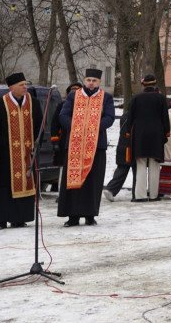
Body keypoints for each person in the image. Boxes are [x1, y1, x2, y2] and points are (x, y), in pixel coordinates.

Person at [58, 68, 116, 226]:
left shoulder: (106, 97)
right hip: (75, 144)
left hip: (96, 145)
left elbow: (110, 117)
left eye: (94, 81)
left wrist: (93, 128)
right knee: (74, 179)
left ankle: (90, 215)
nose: (91, 83)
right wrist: (76, 127)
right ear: (85, 80)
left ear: (99, 82)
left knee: (93, 180)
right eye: (89, 80)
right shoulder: (73, 95)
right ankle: (73, 216)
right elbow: (63, 115)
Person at [0, 73, 42, 229]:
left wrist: (37, 147)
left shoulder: (34, 103)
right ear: (11, 88)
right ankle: (1, 220)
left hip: (26, 153)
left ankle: (19, 218)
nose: (25, 87)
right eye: (21, 84)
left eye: (25, 84)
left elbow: (39, 126)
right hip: (5, 155)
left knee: (25, 183)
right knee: (2, 186)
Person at [124, 74, 171, 201]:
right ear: (155, 85)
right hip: (156, 135)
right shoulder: (161, 99)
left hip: (139, 135)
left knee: (140, 165)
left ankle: (140, 195)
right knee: (155, 166)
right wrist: (166, 133)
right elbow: (165, 118)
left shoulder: (135, 99)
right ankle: (154, 194)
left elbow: (130, 118)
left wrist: (128, 133)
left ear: (143, 85)